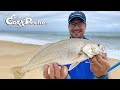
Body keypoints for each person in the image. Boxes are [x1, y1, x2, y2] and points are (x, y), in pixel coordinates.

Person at [43, 11, 111, 79]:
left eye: (80, 24)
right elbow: (60, 74)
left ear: (85, 26)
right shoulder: (60, 48)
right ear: (68, 26)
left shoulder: (95, 49)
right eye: (73, 24)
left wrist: (103, 76)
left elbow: (106, 75)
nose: (76, 28)